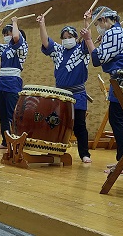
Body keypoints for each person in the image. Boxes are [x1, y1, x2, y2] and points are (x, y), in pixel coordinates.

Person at [80, 6, 123, 174]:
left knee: (118, 120)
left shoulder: (113, 33)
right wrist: (89, 31)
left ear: (104, 20)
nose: (97, 27)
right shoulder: (121, 33)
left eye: (97, 23)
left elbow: (97, 59)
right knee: (120, 119)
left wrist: (89, 39)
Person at [37, 14, 92, 163]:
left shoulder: (82, 50)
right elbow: (45, 42)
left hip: (78, 94)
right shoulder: (58, 51)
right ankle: (54, 150)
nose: (67, 39)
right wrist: (42, 24)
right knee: (56, 123)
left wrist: (86, 21)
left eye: (70, 36)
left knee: (79, 125)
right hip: (60, 95)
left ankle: (84, 154)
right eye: (64, 36)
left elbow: (88, 38)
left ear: (75, 37)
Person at [0, 17, 28, 149]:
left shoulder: (22, 47)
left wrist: (15, 22)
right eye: (4, 35)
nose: (6, 37)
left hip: (13, 83)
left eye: (7, 34)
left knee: (12, 114)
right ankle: (5, 142)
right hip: (2, 83)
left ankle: (16, 141)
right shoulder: (5, 48)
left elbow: (16, 37)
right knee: (3, 115)